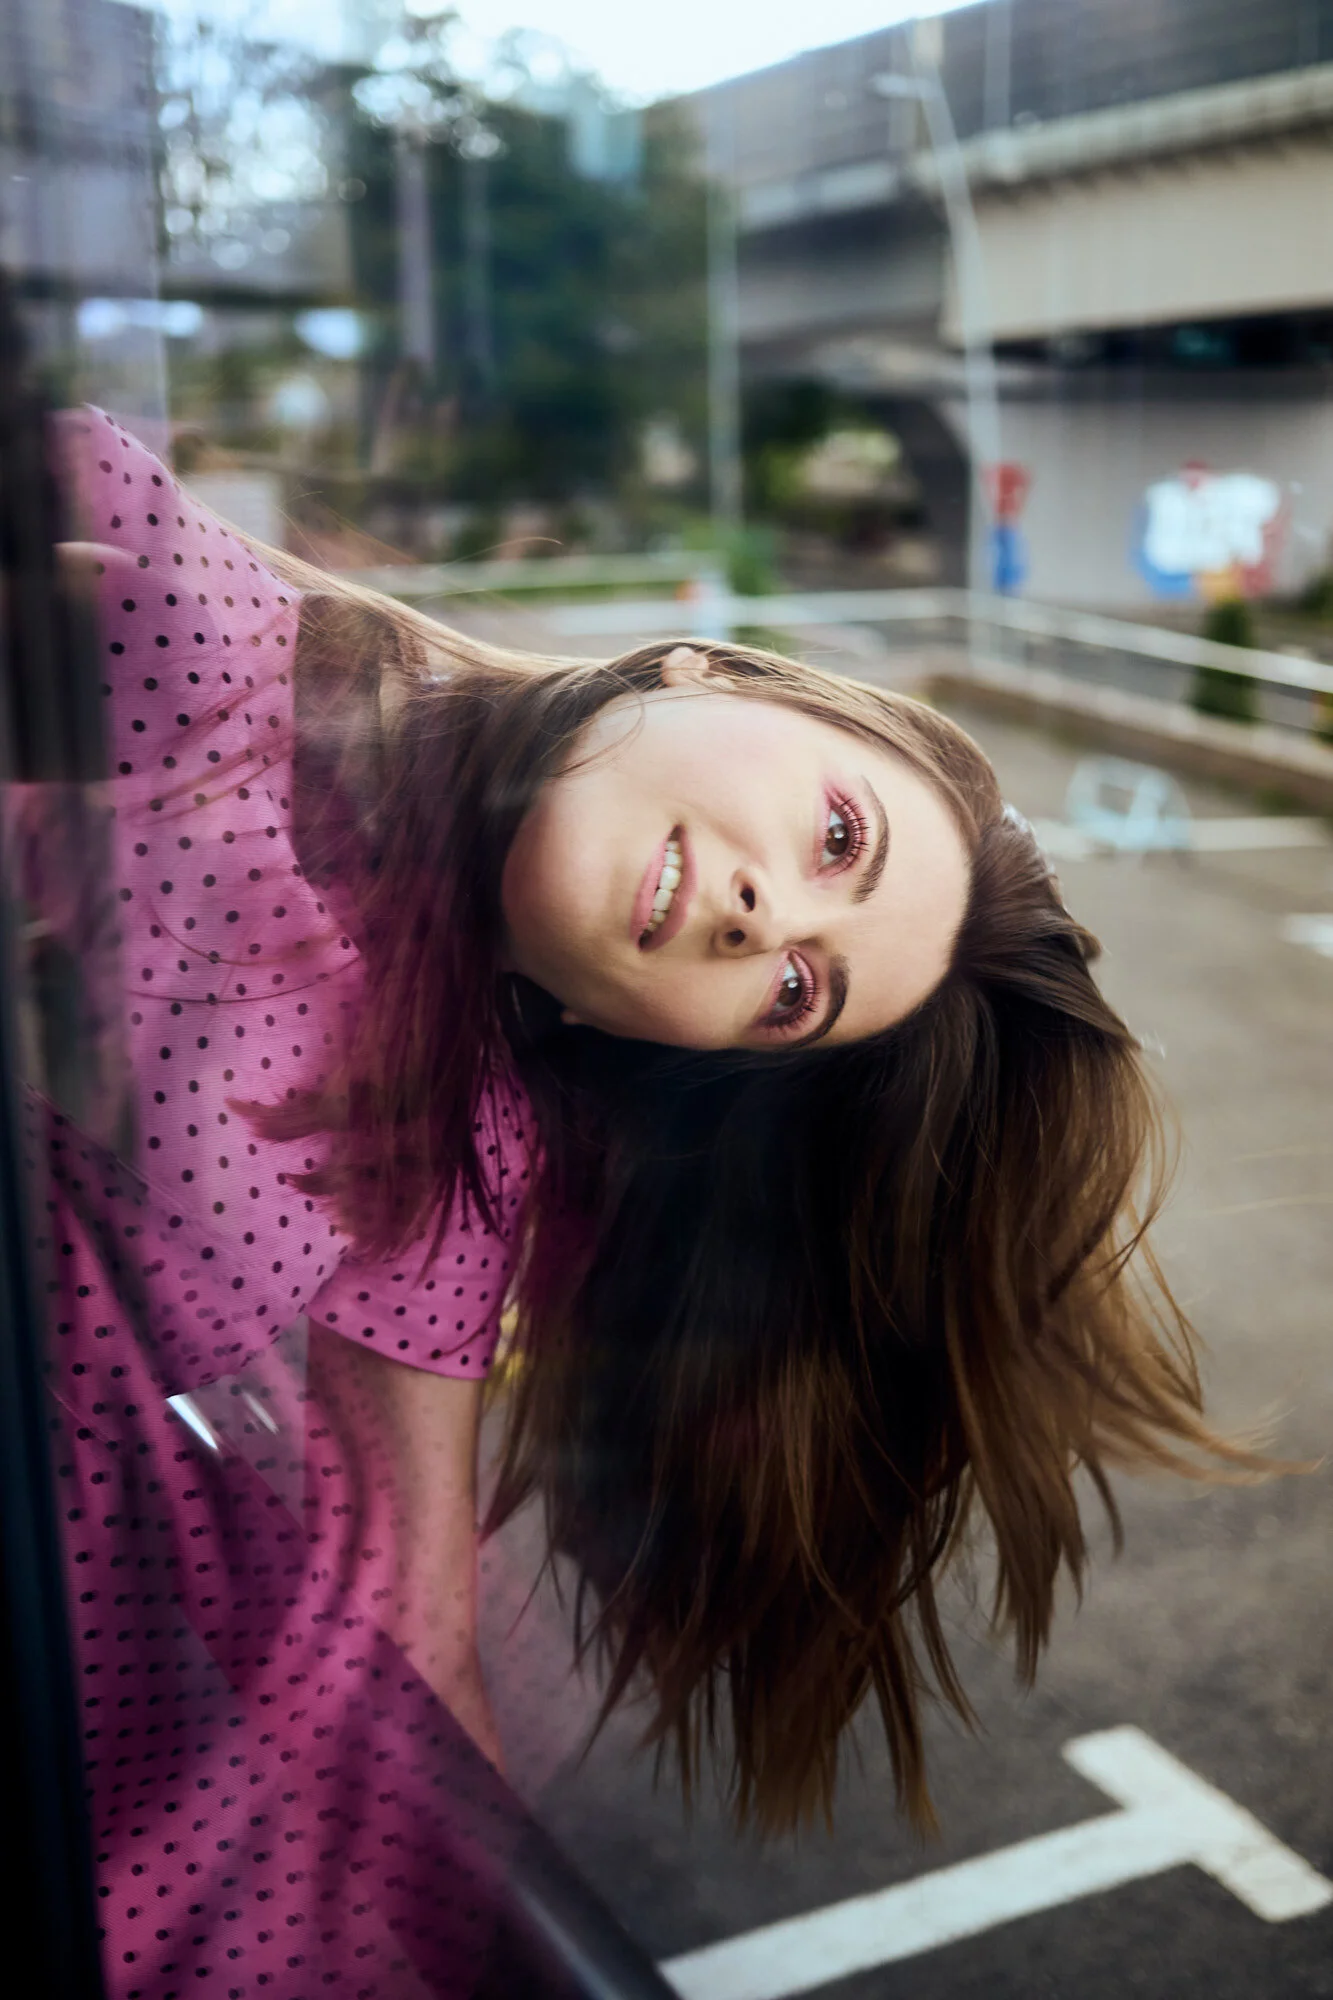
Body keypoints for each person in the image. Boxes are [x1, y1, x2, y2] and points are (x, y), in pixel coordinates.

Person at [26, 409, 1257, 1993]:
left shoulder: (456, 1159)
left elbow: (415, 1617)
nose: (767, 917)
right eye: (836, 836)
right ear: (714, 673)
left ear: (660, 1042)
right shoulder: (194, 637)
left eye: (803, 990)